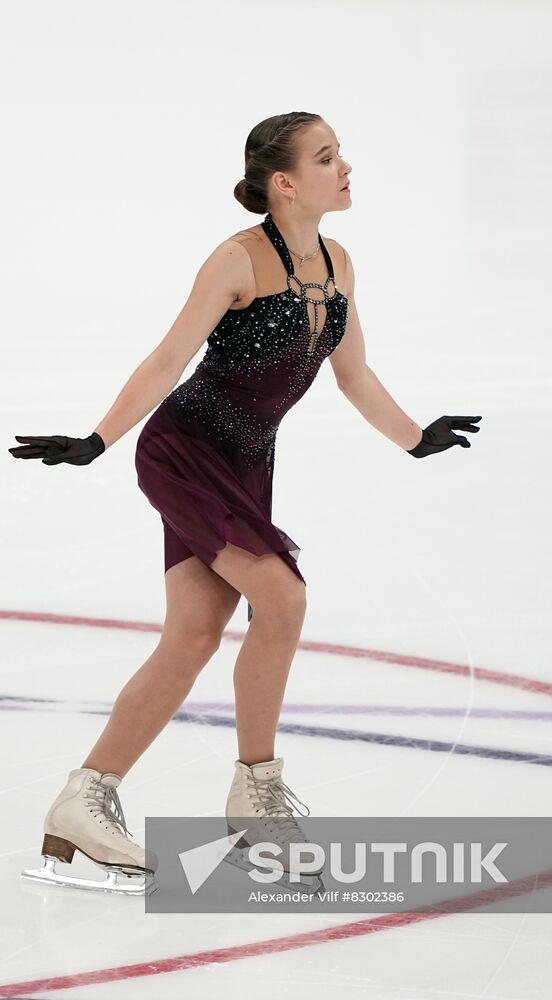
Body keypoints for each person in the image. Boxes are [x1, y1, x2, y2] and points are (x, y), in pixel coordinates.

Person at [9, 111, 482, 895]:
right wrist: (97, 441)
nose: (346, 167)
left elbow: (354, 377)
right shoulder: (236, 260)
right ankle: (255, 802)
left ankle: (80, 803)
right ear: (285, 182)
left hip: (247, 462)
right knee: (284, 600)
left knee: (193, 635)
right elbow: (168, 357)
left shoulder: (338, 263)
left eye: (342, 154)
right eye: (328, 157)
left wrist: (415, 438)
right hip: (184, 453)